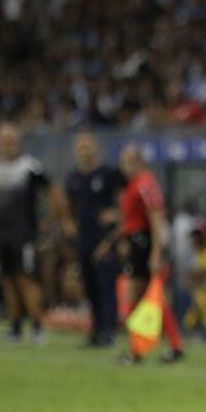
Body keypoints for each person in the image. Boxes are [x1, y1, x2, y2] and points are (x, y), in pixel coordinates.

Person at [96, 144, 183, 363]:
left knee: (134, 298)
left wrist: (155, 252)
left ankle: (137, 351)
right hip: (137, 243)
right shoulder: (134, 185)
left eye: (129, 161)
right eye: (123, 161)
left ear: (140, 162)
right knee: (153, 299)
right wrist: (111, 241)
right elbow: (128, 220)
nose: (125, 166)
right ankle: (171, 346)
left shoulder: (145, 184)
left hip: (143, 244)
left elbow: (156, 219)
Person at [0, 122, 68, 344]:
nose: (6, 145)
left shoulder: (30, 167)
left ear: (17, 142)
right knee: (7, 279)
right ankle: (15, 328)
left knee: (26, 280)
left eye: (10, 140)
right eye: (3, 141)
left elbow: (53, 191)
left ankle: (37, 326)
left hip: (23, 234)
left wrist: (50, 220)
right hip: (3, 234)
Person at [63, 133, 123, 347]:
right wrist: (68, 225)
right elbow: (67, 207)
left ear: (96, 149)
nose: (84, 151)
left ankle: (108, 331)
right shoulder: (72, 178)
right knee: (89, 286)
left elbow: (124, 200)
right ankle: (95, 331)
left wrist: (117, 215)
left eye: (88, 146)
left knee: (106, 285)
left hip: (104, 239)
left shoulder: (108, 174)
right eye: (80, 147)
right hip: (83, 239)